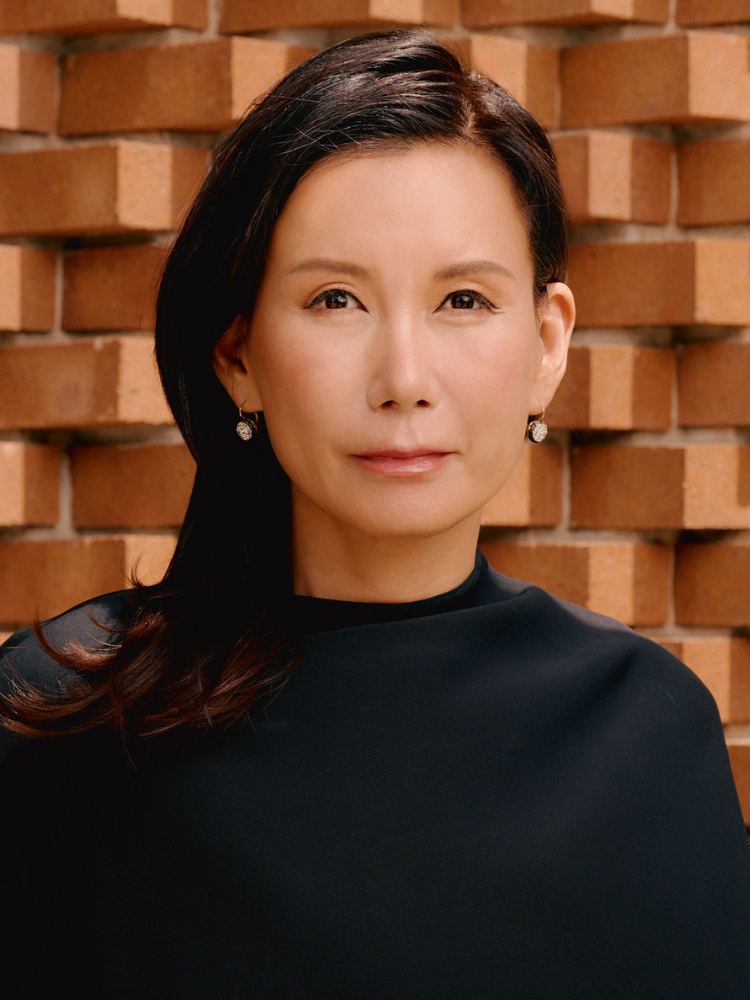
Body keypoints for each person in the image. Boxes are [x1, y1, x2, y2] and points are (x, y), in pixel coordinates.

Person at [1, 29, 749, 1000]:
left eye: (465, 299)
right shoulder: (62, 719)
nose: (403, 379)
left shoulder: (648, 735)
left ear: (549, 341)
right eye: (337, 298)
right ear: (238, 353)